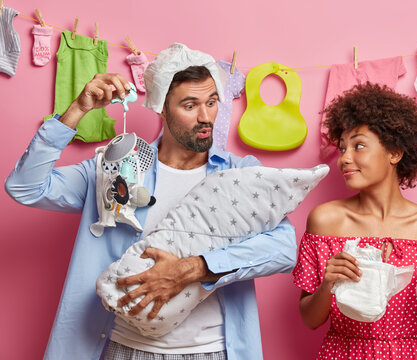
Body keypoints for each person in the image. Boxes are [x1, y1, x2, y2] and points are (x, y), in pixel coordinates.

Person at [5, 44, 296, 360]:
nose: (205, 117)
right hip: (126, 348)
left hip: (213, 351)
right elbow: (25, 187)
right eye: (190, 105)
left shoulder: (239, 174)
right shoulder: (113, 169)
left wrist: (194, 268)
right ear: (161, 107)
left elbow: (284, 249)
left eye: (212, 102)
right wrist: (78, 108)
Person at [293, 82, 417, 359]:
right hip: (342, 353)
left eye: (358, 146)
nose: (345, 158)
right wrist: (327, 285)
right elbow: (310, 320)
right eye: (342, 147)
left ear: (394, 153)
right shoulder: (325, 221)